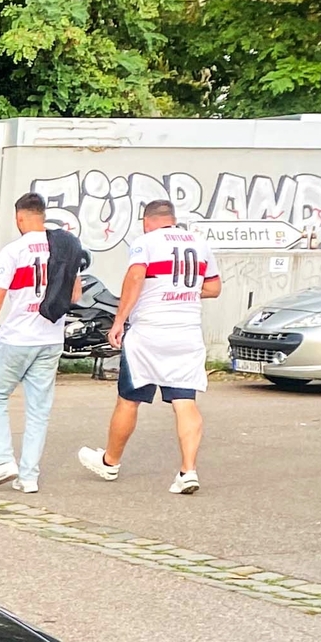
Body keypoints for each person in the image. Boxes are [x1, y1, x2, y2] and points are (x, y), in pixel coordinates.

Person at [79, 199, 219, 495]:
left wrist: (119, 321)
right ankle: (188, 471)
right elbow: (214, 287)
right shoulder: (200, 243)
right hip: (187, 333)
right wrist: (181, 293)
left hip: (149, 333)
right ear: (173, 219)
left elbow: (135, 278)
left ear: (147, 220)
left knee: (129, 398)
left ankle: (110, 462)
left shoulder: (146, 242)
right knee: (185, 401)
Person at [0, 191, 79, 492]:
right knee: (39, 410)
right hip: (51, 339)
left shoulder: (13, 251)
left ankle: (3, 460)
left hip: (18, 337)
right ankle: (28, 477)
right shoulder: (65, 247)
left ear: (19, 217)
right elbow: (76, 294)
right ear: (43, 215)